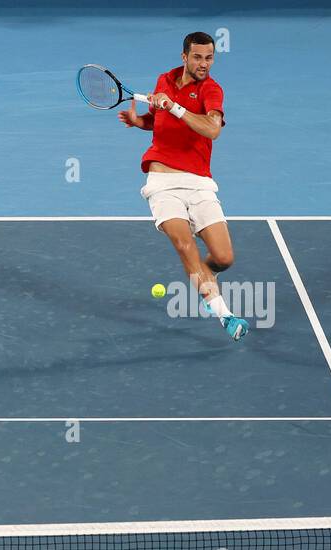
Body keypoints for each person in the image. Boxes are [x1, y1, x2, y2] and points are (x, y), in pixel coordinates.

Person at [120, 32, 248, 342]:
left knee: (223, 258)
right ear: (184, 57)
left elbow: (212, 129)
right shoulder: (164, 79)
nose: (204, 64)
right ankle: (224, 315)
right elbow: (158, 119)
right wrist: (142, 122)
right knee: (184, 244)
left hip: (199, 182)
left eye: (209, 58)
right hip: (162, 182)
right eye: (198, 57)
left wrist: (175, 107)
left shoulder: (212, 90)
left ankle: (203, 279)